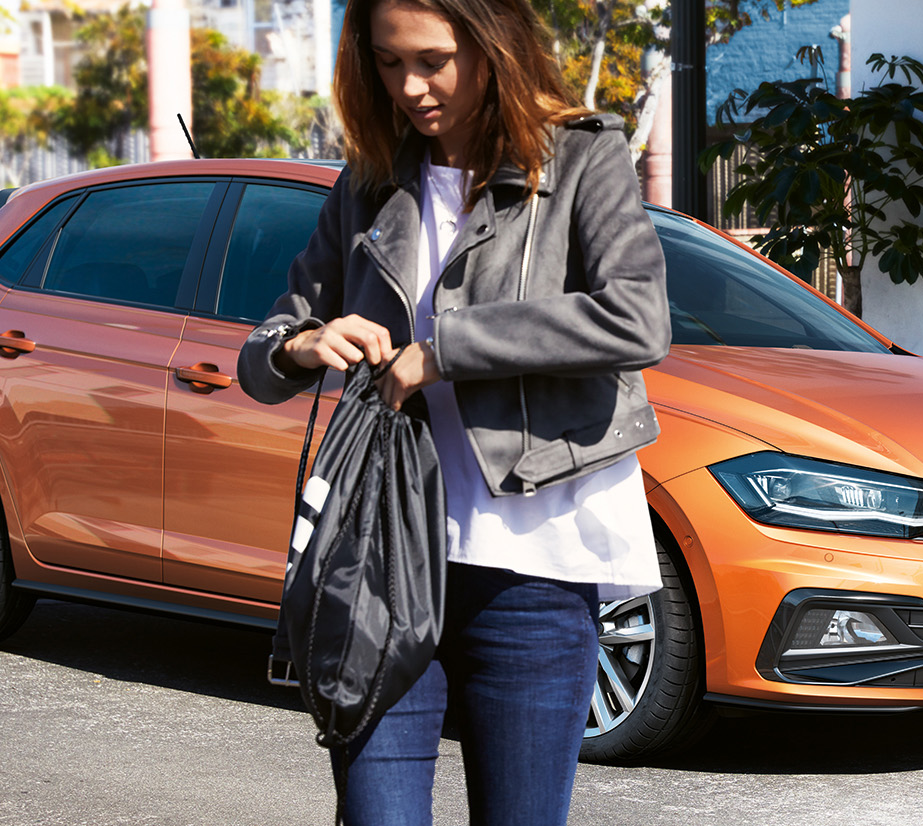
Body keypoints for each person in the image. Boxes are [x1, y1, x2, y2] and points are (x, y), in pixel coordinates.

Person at [236, 0, 670, 821]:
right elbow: (267, 349)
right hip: (383, 559)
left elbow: (637, 318)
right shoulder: (370, 180)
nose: (409, 86)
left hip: (536, 564)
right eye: (388, 62)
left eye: (432, 61)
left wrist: (445, 351)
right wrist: (304, 344)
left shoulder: (582, 157)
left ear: (492, 44)